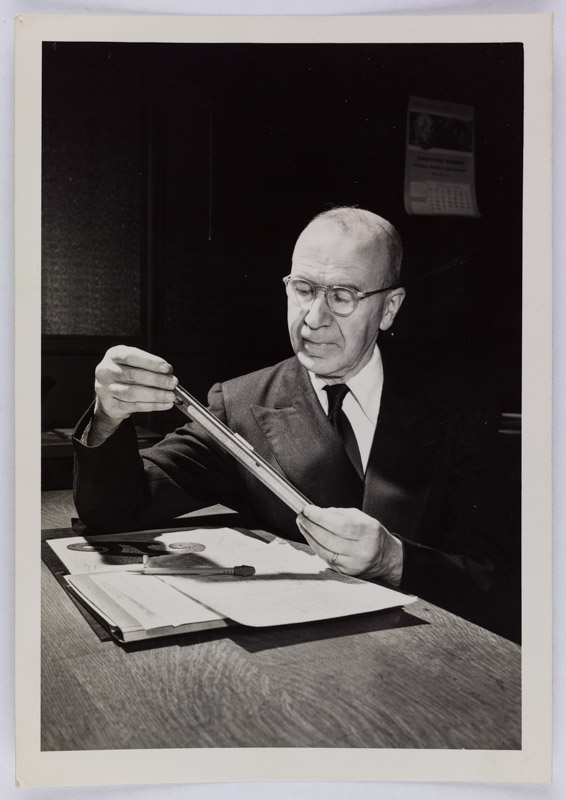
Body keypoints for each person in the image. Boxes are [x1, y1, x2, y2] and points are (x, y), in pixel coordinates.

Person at [73, 207, 514, 631]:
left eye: (342, 297)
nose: (314, 319)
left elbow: (499, 578)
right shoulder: (240, 404)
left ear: (389, 308)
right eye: (303, 289)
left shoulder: (458, 410)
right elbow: (116, 509)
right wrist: (108, 415)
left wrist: (395, 560)